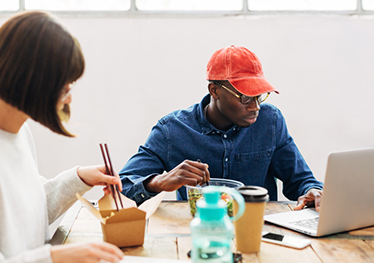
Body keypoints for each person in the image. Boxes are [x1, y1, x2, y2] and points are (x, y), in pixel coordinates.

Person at [0, 11, 124, 263]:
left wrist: (79, 178)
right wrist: (54, 260)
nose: (69, 98)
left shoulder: (17, 131)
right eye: (65, 87)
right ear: (34, 84)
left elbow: (27, 212)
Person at [120, 45, 323, 211]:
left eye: (259, 96)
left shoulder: (270, 121)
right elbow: (121, 188)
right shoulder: (171, 131)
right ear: (214, 91)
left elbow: (300, 180)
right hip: (195, 231)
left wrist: (313, 191)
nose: (255, 107)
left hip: (258, 230)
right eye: (245, 97)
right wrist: (160, 182)